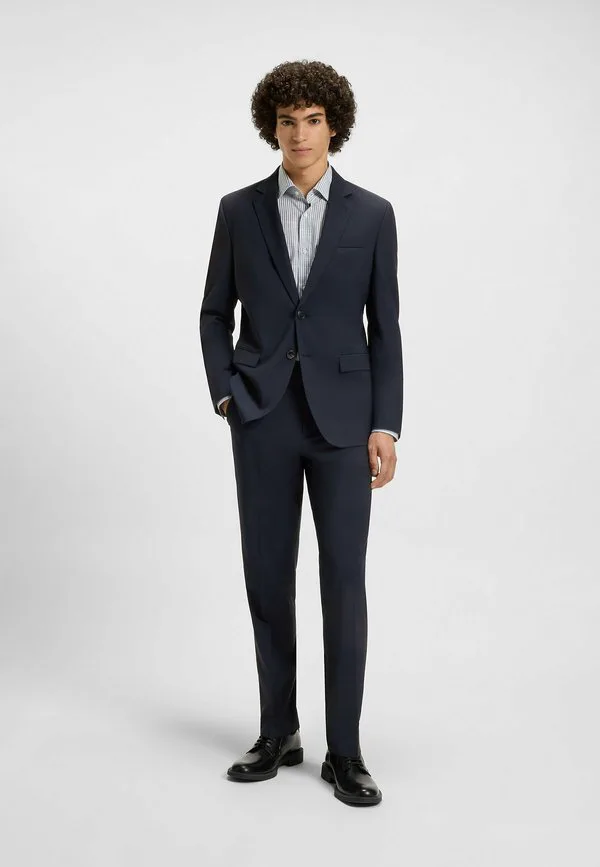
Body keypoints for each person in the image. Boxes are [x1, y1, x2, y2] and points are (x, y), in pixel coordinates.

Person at [199, 59, 403, 807]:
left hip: (345, 424)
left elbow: (386, 326)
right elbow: (213, 312)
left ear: (333, 126)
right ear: (272, 128)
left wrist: (386, 423)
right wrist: (227, 393)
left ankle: (344, 751)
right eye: (287, 121)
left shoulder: (372, 214)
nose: (299, 134)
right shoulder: (238, 210)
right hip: (261, 418)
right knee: (267, 577)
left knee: (343, 583)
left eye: (313, 120)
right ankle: (277, 731)